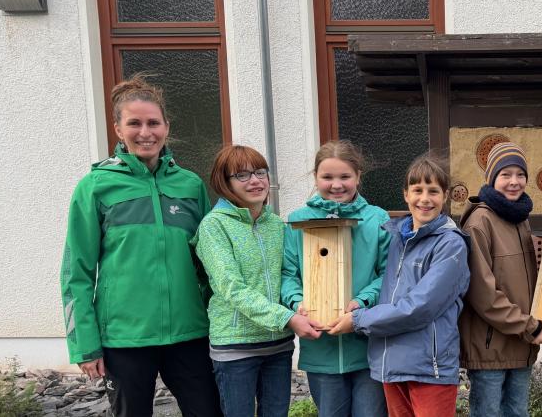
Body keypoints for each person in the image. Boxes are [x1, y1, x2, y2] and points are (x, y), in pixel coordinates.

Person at [60, 75, 222, 417]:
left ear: (166, 127)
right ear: (118, 129)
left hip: (189, 333)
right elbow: (77, 274)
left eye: (153, 123)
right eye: (134, 123)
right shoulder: (95, 187)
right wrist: (85, 344)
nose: (145, 132)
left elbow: (210, 264)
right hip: (124, 339)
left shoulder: (189, 185)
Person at [326, 153, 470, 417]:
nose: (425, 199)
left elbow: (420, 307)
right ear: (405, 194)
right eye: (417, 190)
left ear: (445, 196)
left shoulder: (450, 244)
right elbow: (384, 289)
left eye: (433, 191)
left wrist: (358, 320)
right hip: (390, 361)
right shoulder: (396, 238)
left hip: (429, 367)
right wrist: (359, 302)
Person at [195, 145, 322, 417]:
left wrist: (298, 306)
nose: (255, 181)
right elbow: (231, 287)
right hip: (235, 347)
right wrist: (287, 318)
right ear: (224, 182)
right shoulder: (214, 226)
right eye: (242, 175)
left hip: (278, 345)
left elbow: (290, 276)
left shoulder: (276, 225)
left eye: (260, 172)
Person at [281, 140, 390, 417]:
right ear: (316, 177)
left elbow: (389, 274)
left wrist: (362, 301)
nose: (336, 185)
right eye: (327, 177)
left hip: (367, 347)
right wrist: (298, 303)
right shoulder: (298, 221)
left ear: (358, 176)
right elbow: (288, 274)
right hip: (321, 348)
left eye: (345, 176)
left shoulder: (377, 218)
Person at [459, 142, 542, 417]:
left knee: (518, 412)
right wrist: (529, 327)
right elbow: (483, 295)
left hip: (521, 344)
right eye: (505, 174)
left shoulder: (519, 217)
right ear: (491, 178)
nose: (514, 181)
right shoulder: (479, 222)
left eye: (520, 174)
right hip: (490, 348)